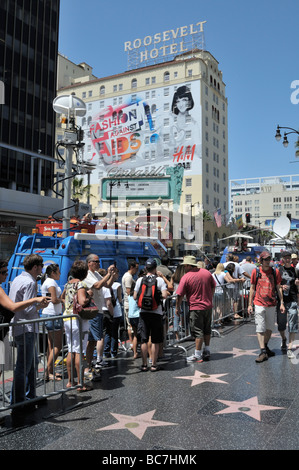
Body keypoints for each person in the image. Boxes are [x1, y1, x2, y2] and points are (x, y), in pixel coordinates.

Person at [8, 254, 50, 407]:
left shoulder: (18, 279)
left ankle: (29, 396)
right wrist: (40, 305)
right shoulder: (31, 282)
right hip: (26, 327)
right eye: (41, 266)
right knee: (24, 367)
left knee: (31, 364)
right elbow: (28, 310)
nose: (42, 269)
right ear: (35, 267)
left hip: (19, 326)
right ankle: (18, 401)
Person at [175, 255, 216, 363]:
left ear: (189, 265)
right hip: (207, 306)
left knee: (198, 331)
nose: (184, 268)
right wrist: (210, 298)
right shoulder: (206, 273)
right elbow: (213, 285)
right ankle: (207, 350)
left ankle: (197, 354)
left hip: (196, 307)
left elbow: (179, 294)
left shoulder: (186, 277)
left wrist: (177, 307)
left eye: (185, 265)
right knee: (207, 329)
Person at [248, 251, 285, 363]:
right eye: (265, 260)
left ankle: (265, 346)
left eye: (269, 259)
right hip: (259, 303)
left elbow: (279, 287)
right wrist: (250, 304)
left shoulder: (275, 271)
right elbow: (252, 288)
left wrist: (282, 302)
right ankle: (263, 351)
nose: (268, 261)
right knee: (260, 327)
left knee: (269, 328)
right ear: (261, 261)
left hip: (272, 303)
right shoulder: (256, 271)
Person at [62, 260, 93, 391]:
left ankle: (70, 381)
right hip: (78, 320)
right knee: (80, 350)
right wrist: (89, 296)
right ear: (85, 273)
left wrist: (68, 305)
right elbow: (82, 301)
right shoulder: (81, 284)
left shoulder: (67, 284)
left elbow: (62, 298)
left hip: (67, 318)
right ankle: (81, 383)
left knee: (71, 349)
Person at [133, 258, 168, 371]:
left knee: (144, 339)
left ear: (145, 268)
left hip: (143, 313)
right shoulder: (160, 281)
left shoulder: (139, 280)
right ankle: (153, 364)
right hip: (156, 312)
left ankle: (144, 364)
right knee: (155, 340)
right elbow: (165, 295)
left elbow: (134, 296)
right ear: (155, 268)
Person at [84, 255, 115, 375]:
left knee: (92, 340)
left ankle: (89, 365)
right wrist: (108, 273)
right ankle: (88, 365)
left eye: (98, 261)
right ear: (89, 263)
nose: (98, 264)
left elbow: (107, 284)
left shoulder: (96, 274)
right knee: (94, 339)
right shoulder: (88, 275)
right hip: (92, 311)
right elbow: (97, 285)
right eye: (96, 262)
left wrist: (111, 275)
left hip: (97, 311)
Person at [40, 263, 64, 381]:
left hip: (50, 314)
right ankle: (47, 371)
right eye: (58, 271)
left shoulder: (48, 281)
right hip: (53, 315)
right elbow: (54, 300)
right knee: (57, 346)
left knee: (51, 345)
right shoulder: (51, 282)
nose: (60, 273)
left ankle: (49, 371)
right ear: (53, 272)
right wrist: (63, 300)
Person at [276, 251, 298, 359]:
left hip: (293, 300)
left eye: (289, 257)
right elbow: (276, 285)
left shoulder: (296, 270)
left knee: (293, 324)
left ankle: (290, 348)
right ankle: (283, 338)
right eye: (285, 257)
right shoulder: (279, 270)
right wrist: (281, 287)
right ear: (283, 259)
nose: (288, 259)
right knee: (281, 324)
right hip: (282, 301)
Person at [103, 268, 123, 358]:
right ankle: (113, 352)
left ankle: (106, 351)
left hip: (106, 310)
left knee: (107, 332)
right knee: (114, 332)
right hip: (116, 310)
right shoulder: (117, 285)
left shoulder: (104, 286)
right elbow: (119, 298)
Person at [122, 261, 139, 350]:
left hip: (129, 303)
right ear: (132, 267)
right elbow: (129, 292)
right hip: (129, 304)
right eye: (136, 268)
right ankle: (132, 343)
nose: (137, 270)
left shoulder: (128, 276)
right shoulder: (128, 277)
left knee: (131, 325)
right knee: (131, 325)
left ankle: (133, 344)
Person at [128, 281, 140, 359]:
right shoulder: (137, 296)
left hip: (131, 317)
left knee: (135, 335)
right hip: (138, 316)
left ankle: (135, 353)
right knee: (142, 335)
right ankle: (144, 352)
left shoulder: (129, 296)